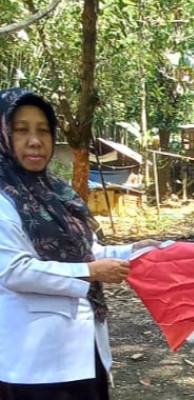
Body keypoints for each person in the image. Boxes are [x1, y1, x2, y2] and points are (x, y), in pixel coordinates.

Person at [0, 87, 158, 400]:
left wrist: (133, 251)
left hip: (83, 350)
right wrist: (90, 272)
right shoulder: (3, 196)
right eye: (21, 131)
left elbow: (91, 252)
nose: (35, 140)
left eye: (43, 130)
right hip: (32, 362)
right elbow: (13, 271)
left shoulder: (58, 194)